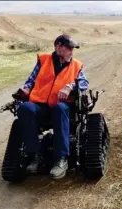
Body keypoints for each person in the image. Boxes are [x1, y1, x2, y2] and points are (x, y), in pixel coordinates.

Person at [16, 34, 89, 179]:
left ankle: (61, 159)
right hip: (40, 106)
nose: (72, 52)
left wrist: (70, 86)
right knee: (25, 109)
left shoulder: (76, 65)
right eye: (69, 48)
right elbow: (31, 80)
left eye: (72, 49)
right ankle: (35, 156)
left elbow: (84, 83)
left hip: (62, 107)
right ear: (58, 47)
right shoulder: (44, 61)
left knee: (60, 108)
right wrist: (25, 90)